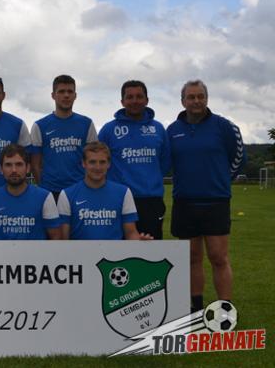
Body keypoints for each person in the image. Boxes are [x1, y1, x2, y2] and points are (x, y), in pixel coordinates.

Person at [167, 80, 245, 312]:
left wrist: (222, 180)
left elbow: (239, 157)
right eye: (191, 97)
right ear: (183, 101)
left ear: (207, 99)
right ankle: (196, 307)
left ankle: (225, 309)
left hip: (215, 202)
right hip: (184, 202)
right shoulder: (172, 130)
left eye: (200, 96)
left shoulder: (224, 126)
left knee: (218, 257)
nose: (196, 101)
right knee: (192, 258)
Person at [98, 80, 170, 239]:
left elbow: (164, 162)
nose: (135, 101)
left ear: (147, 100)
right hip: (118, 199)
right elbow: (98, 162)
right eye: (130, 97)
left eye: (139, 96)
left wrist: (149, 181)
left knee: (150, 249)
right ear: (122, 101)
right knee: (117, 248)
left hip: (151, 200)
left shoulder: (158, 129)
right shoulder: (109, 130)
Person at [57, 142, 154, 241]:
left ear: (109, 164)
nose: (98, 167)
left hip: (114, 251)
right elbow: (63, 240)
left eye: (102, 162)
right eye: (92, 162)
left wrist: (140, 243)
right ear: (83, 163)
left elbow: (130, 233)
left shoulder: (124, 192)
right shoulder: (67, 195)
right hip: (79, 251)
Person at [0, 144, 61, 240]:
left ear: (28, 168)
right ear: (1, 169)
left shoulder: (45, 197)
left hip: (34, 250)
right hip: (1, 250)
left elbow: (56, 236)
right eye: (8, 165)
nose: (14, 170)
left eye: (19, 164)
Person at [31, 75, 97, 201]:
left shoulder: (86, 124)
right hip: (50, 191)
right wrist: (44, 188)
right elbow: (35, 165)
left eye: (70, 91)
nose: (66, 95)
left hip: (79, 190)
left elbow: (93, 159)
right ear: (53, 95)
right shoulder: (40, 126)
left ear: (75, 95)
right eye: (61, 91)